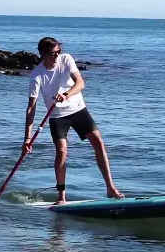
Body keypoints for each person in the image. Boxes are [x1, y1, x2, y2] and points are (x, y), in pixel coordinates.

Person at [23, 37, 125, 205]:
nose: (57, 56)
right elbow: (31, 108)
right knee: (62, 152)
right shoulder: (36, 75)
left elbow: (80, 83)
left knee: (98, 142)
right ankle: (61, 196)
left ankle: (110, 188)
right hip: (56, 116)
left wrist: (66, 95)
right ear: (42, 54)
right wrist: (27, 138)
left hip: (78, 109)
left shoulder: (66, 59)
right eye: (53, 54)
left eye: (58, 52)